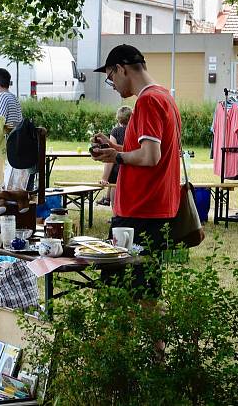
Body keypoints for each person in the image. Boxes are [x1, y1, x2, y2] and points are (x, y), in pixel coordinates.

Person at [90, 44, 180, 297]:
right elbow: (146, 151)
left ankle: (119, 339)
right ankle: (154, 339)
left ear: (121, 69)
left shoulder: (148, 101)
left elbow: (151, 156)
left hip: (139, 211)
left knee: (117, 296)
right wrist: (115, 147)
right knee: (147, 294)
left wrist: (116, 156)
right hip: (153, 208)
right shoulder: (164, 96)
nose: (114, 86)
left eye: (111, 78)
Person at [97, 106, 132, 207]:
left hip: (117, 170)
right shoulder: (136, 131)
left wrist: (104, 178)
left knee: (115, 205)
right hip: (131, 166)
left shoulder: (115, 131)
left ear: (118, 119)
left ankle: (116, 217)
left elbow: (111, 155)